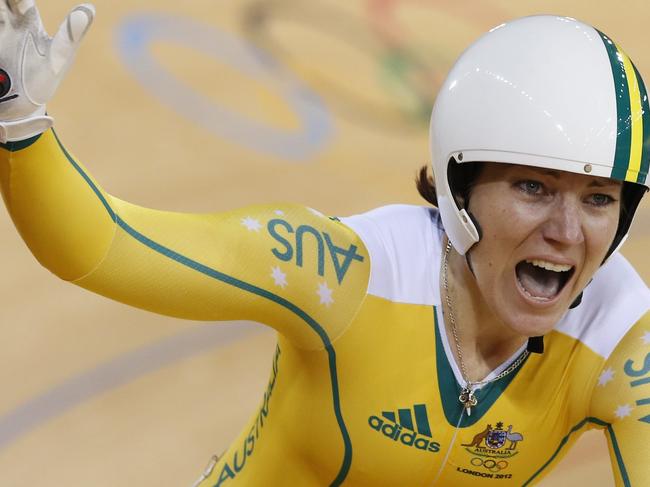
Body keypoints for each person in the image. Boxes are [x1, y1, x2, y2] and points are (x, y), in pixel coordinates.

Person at [0, 2, 648, 485]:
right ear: (461, 183)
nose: (567, 231)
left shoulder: (620, 337)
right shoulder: (348, 274)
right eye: (533, 187)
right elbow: (104, 245)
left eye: (599, 199)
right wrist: (20, 125)